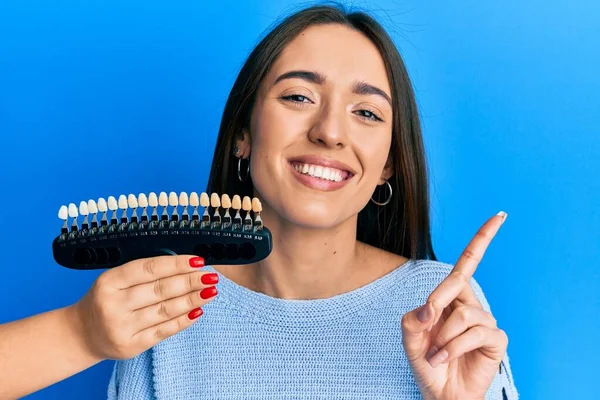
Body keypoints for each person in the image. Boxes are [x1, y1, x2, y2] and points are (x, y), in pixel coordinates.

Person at [0, 4, 519, 399]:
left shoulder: (444, 307)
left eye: (366, 113)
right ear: (242, 136)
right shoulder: (167, 301)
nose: (330, 132)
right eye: (298, 97)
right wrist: (79, 332)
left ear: (388, 163)